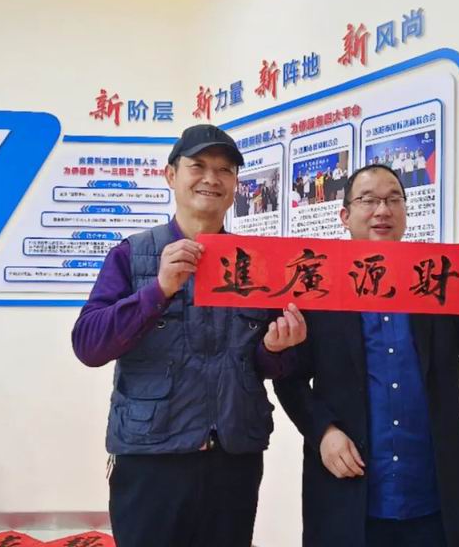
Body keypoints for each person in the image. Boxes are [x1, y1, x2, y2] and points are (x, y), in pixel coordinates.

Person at [72, 124, 307, 547]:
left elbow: (267, 365)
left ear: (235, 186)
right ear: (171, 175)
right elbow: (89, 345)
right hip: (150, 458)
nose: (211, 178)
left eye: (224, 170)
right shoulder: (132, 255)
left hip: (233, 458)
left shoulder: (258, 263)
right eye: (198, 166)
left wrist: (275, 349)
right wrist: (157, 290)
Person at [274, 164, 459, 547]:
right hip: (349, 492)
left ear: (405, 212)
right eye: (368, 200)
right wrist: (323, 431)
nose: (382, 210)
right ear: (345, 215)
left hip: (432, 492)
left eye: (393, 200)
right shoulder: (317, 287)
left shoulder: (435, 278)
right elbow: (288, 377)